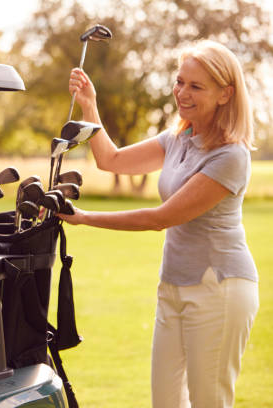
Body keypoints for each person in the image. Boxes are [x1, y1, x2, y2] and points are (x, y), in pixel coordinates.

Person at [58, 40, 258, 408]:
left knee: (209, 401)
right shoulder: (178, 138)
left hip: (218, 290)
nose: (182, 92)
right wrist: (90, 105)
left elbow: (161, 218)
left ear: (225, 94)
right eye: (180, 81)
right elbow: (112, 160)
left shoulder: (231, 156)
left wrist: (85, 218)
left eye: (196, 86)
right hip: (172, 288)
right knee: (164, 402)